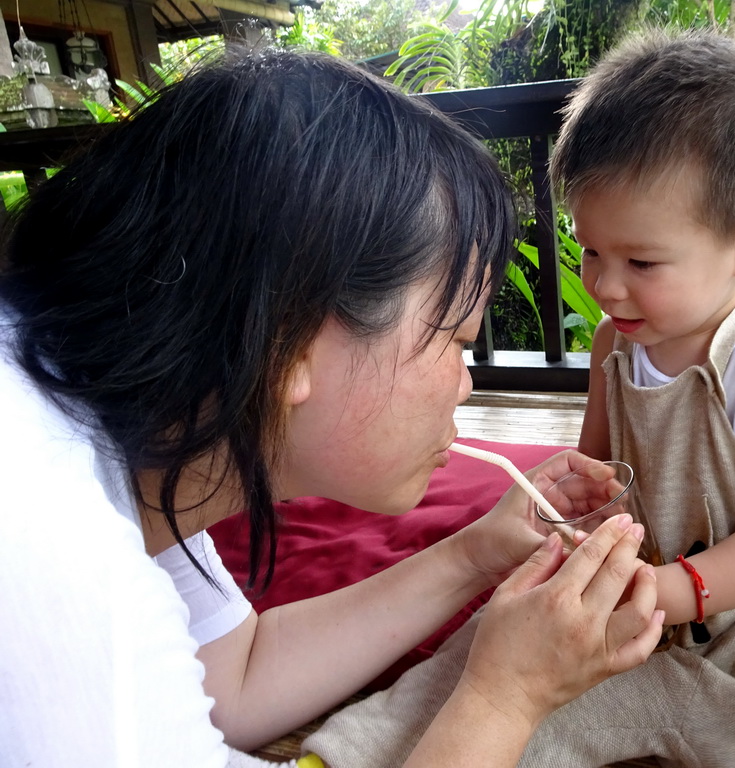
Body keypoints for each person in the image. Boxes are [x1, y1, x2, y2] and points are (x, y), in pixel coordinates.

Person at [0, 49, 666, 768]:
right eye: (455, 342)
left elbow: (236, 681)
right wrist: (506, 695)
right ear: (288, 341)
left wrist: (477, 553)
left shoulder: (144, 437)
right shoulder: (59, 568)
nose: (463, 385)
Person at [299, 29, 735, 767]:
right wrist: (577, 514)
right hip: (634, 581)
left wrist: (671, 592)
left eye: (641, 261)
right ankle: (348, 754)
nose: (604, 285)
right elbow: (601, 465)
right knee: (485, 650)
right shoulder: (615, 343)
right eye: (591, 250)